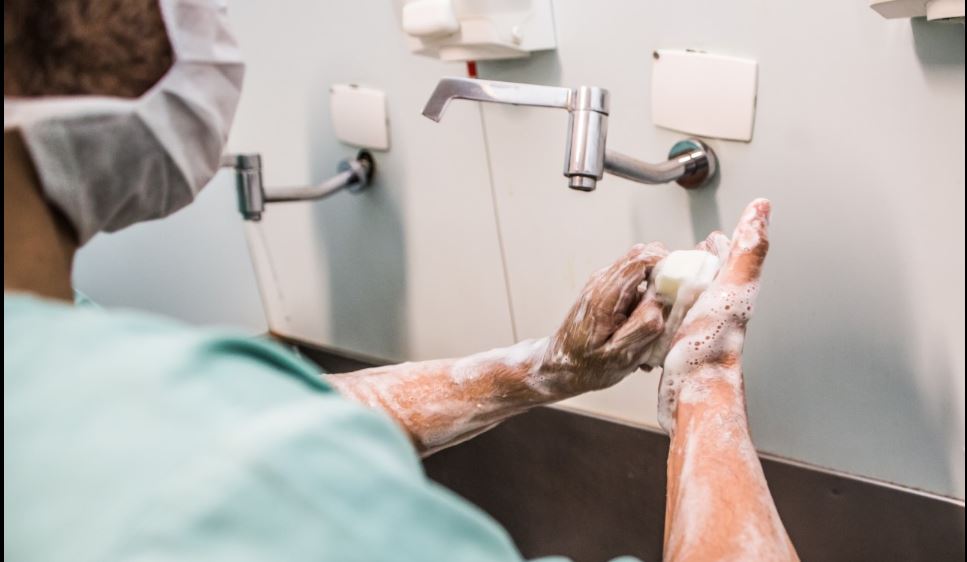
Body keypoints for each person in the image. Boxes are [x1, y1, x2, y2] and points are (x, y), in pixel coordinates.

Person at [3, 1, 799, 560]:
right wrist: (705, 384)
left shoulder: (48, 353)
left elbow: (204, 429)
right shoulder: (230, 480)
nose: (216, 24)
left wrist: (542, 368)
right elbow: (229, 447)